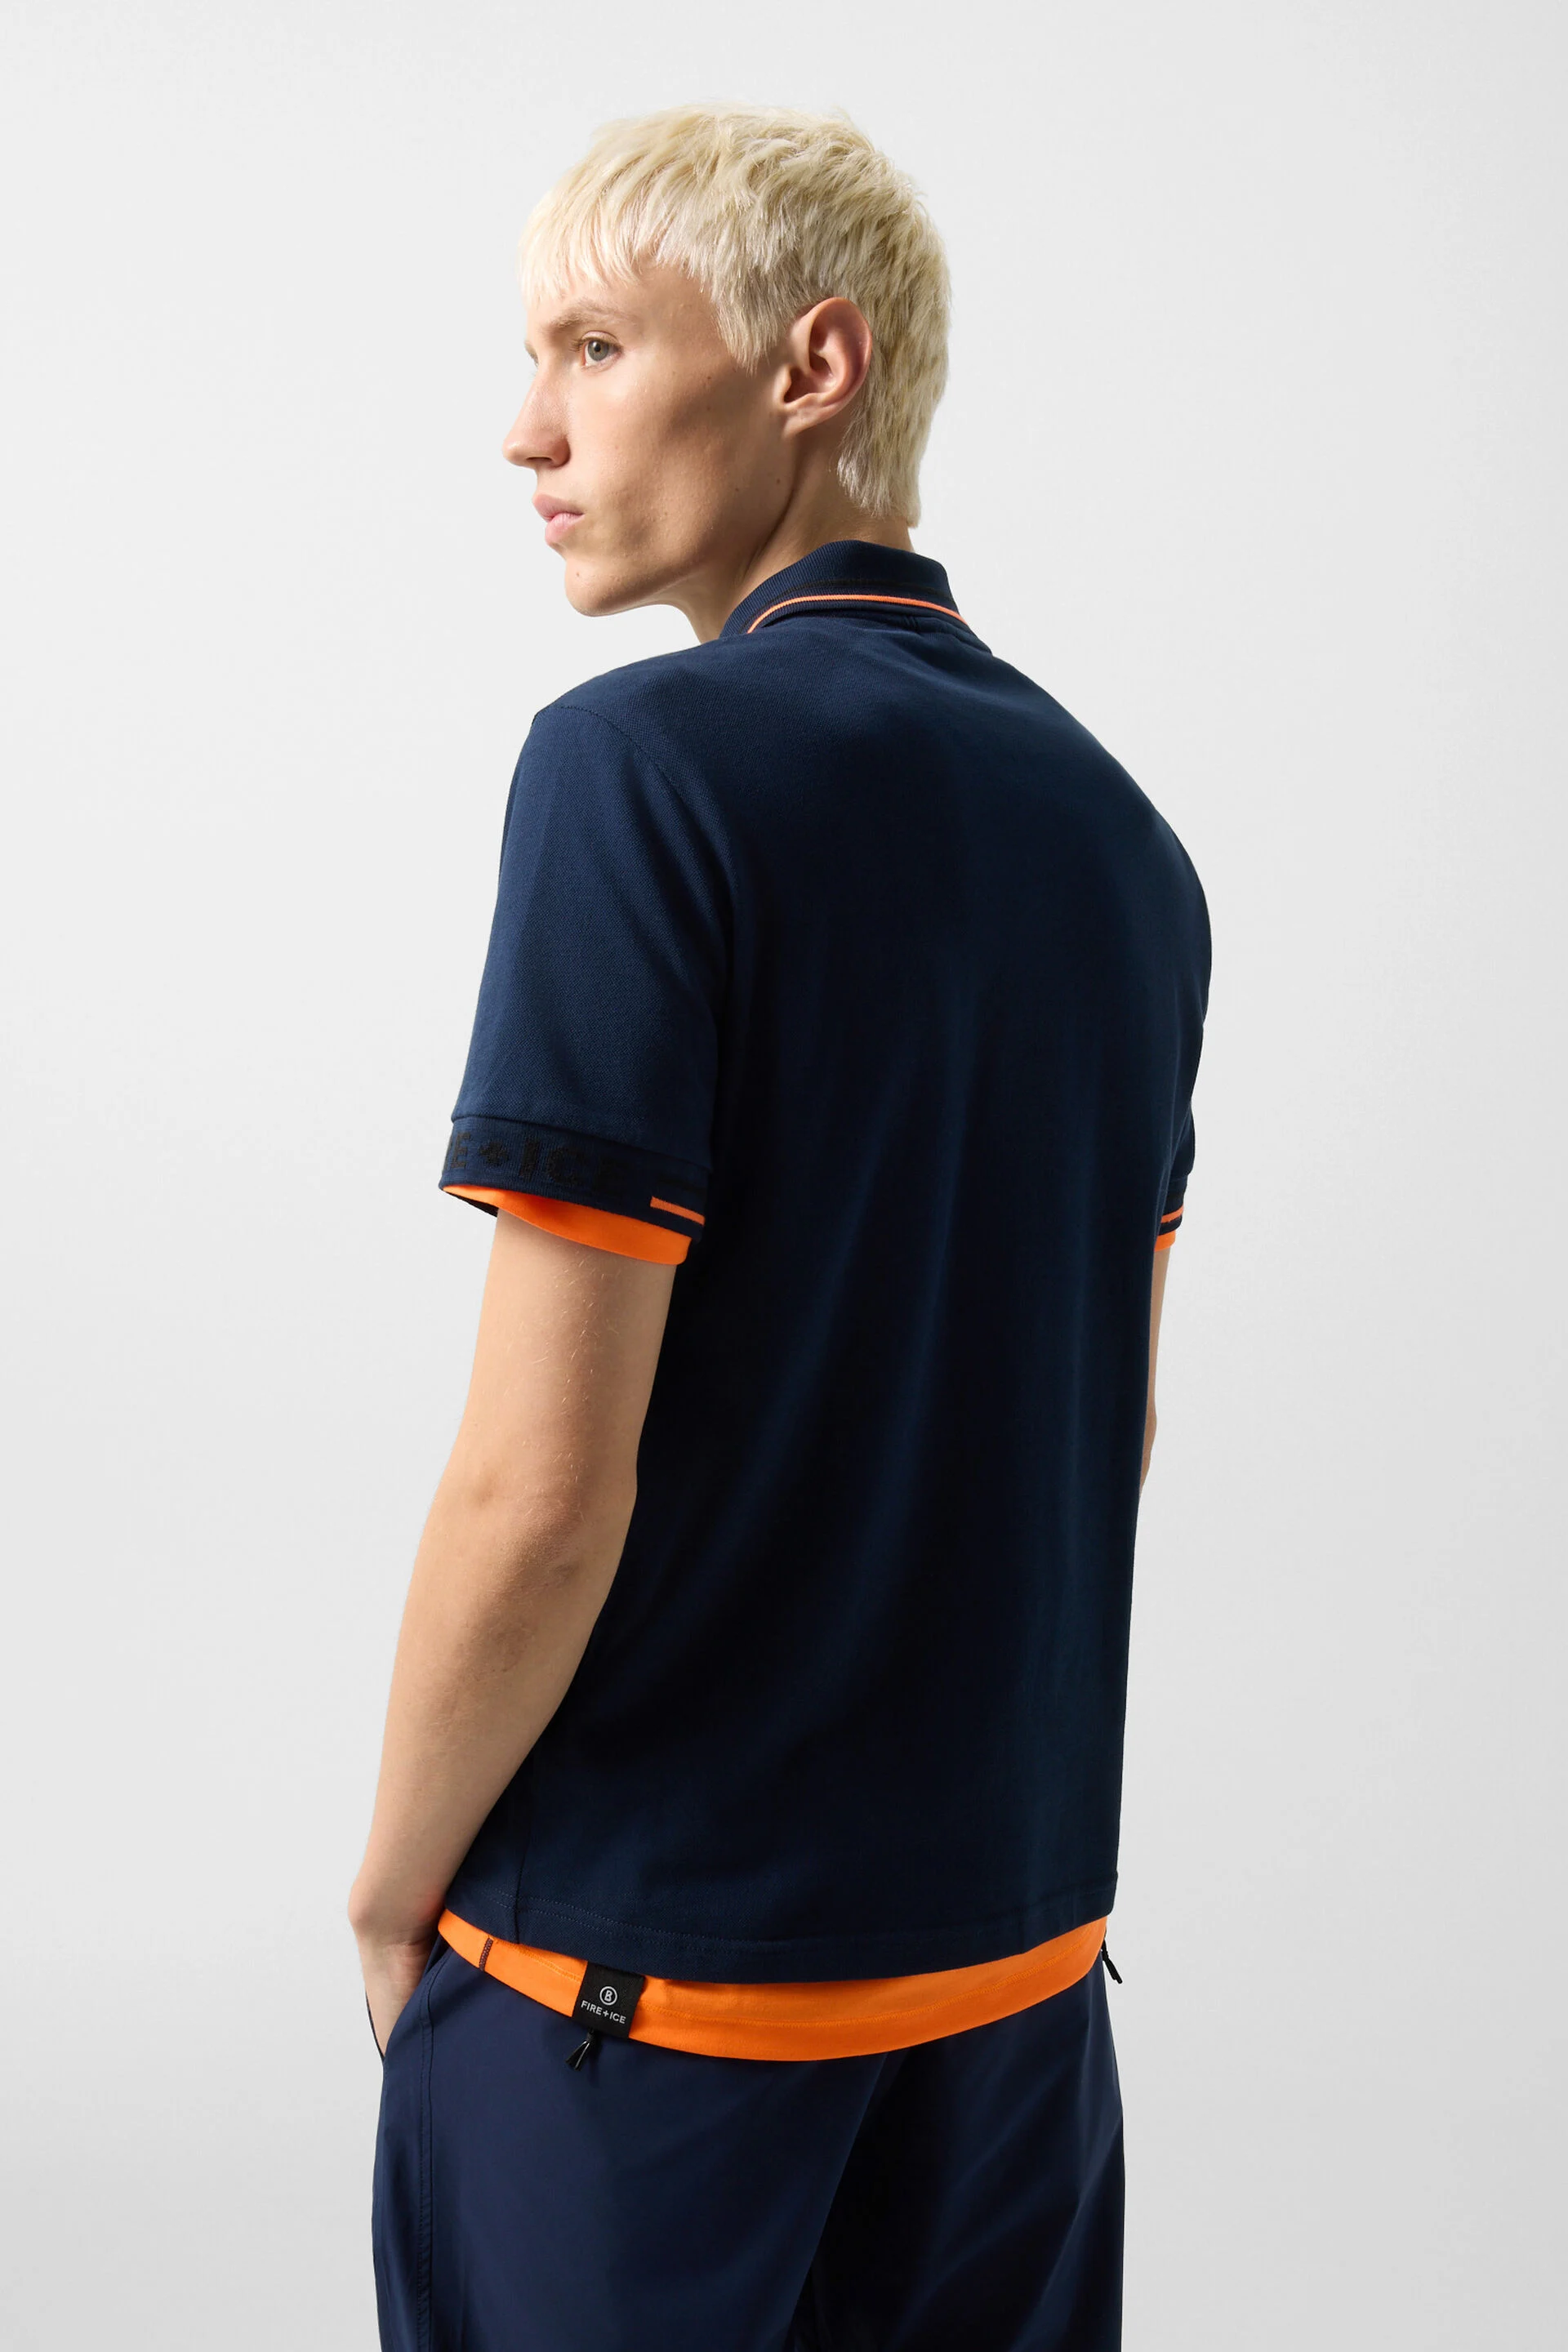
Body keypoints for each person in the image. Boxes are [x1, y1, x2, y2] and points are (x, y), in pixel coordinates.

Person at [350, 100, 1210, 2352]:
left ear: (813, 368)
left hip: (649, 2008)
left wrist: (394, 1884)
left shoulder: (641, 771)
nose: (526, 429)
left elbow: (542, 1491)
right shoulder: (1126, 848)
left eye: (594, 347)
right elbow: (1098, 1426)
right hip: (1014, 1997)